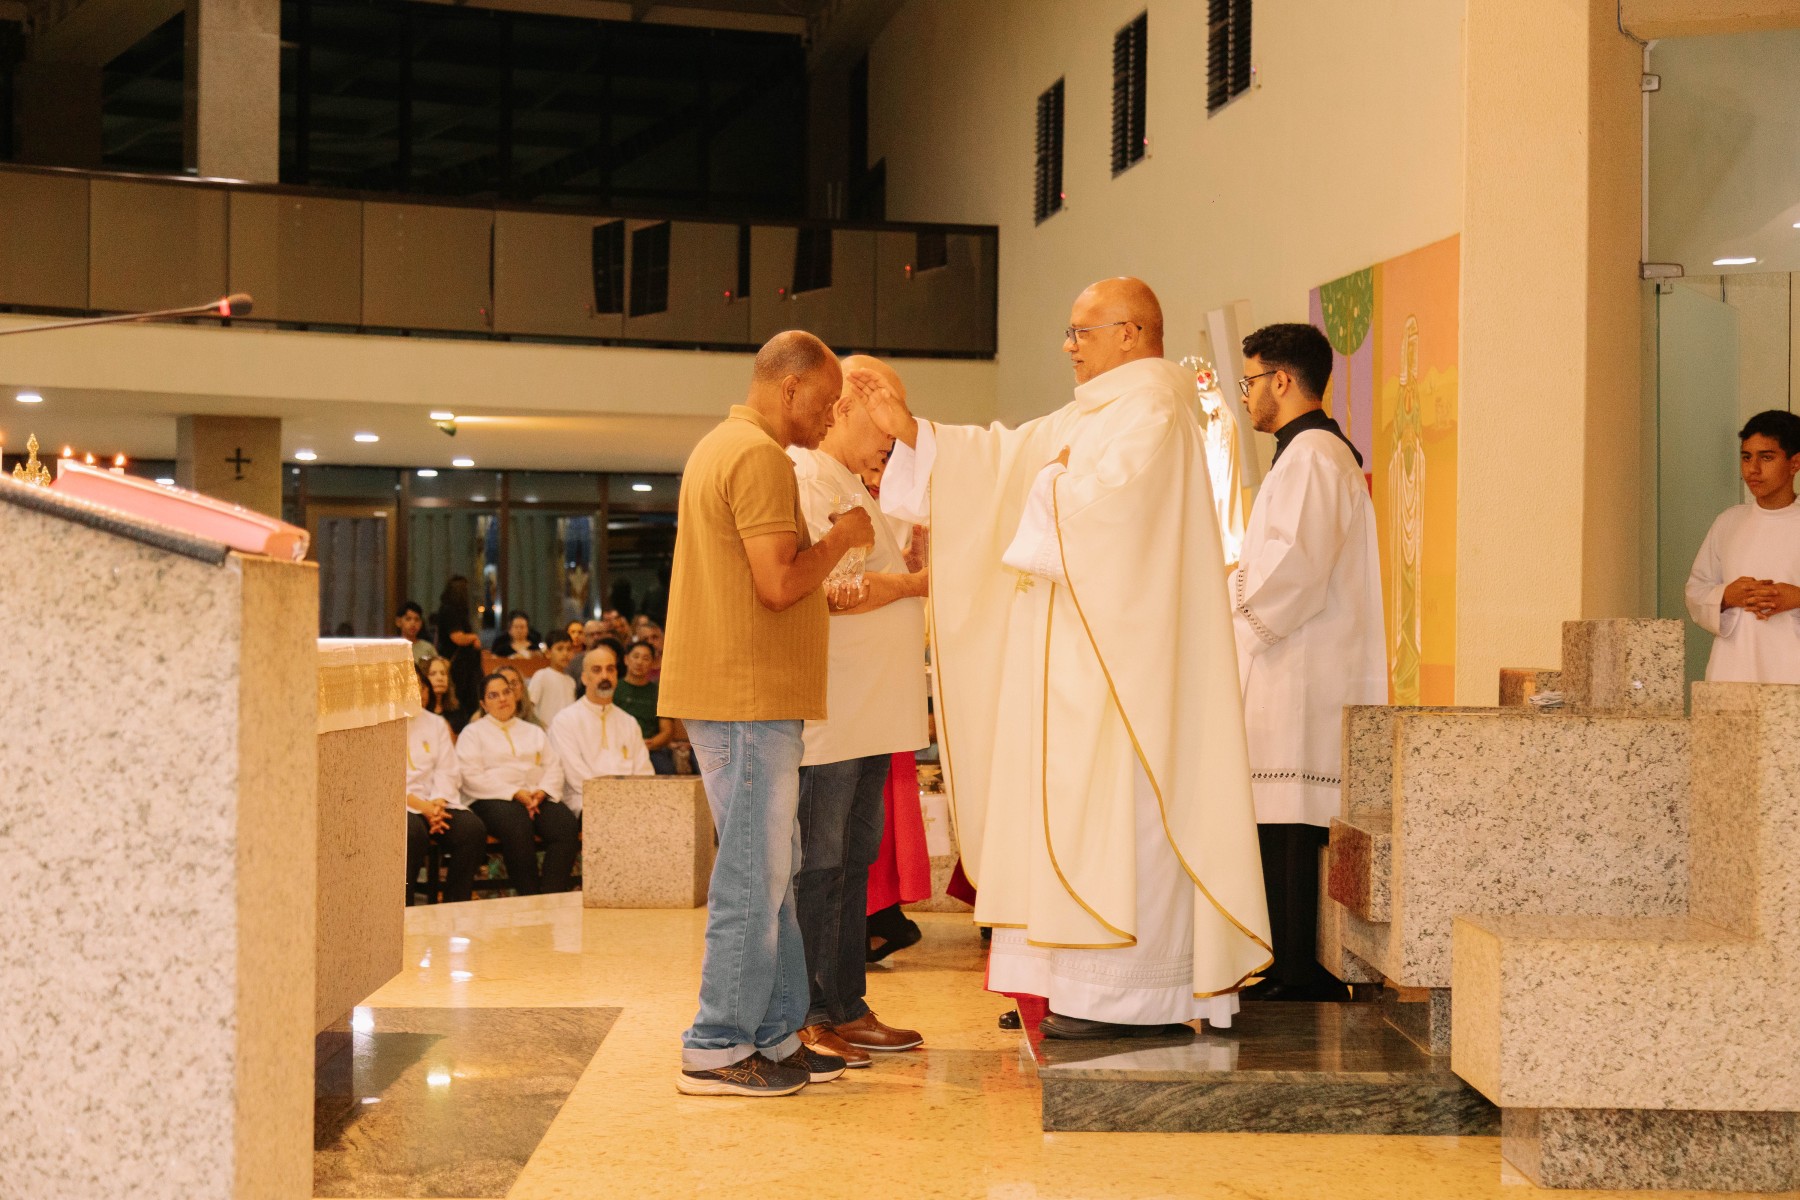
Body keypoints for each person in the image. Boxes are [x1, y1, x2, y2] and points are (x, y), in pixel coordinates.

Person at [860, 277, 1272, 1039]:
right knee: (1085, 820)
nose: (1068, 346)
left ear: (1131, 332)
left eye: (1082, 331)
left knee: (1120, 822)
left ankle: (1128, 1000)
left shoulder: (1153, 409)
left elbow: (1101, 512)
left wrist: (1051, 480)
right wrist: (913, 432)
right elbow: (1005, 459)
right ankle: (1080, 992)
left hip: (1126, 677)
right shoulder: (1102, 410)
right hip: (1086, 669)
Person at [661, 329, 875, 1097]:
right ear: (790, 388)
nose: (831, 416)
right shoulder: (756, 457)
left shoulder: (727, 447)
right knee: (754, 874)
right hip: (745, 696)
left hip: (746, 693)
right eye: (826, 401)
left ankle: (776, 1033)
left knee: (773, 870)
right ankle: (717, 1044)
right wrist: (844, 538)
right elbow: (778, 584)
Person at [1230, 322, 1386, 1001]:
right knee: (1280, 818)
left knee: (1291, 821)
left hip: (1301, 668)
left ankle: (1299, 968)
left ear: (1282, 380)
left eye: (1249, 382)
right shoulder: (1305, 453)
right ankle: (1286, 961)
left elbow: (1293, 568)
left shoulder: (1315, 456)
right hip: (1292, 661)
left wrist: (1226, 591)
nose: (1245, 396)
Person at [787, 355, 931, 1067]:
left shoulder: (851, 482)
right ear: (844, 406)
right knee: (820, 865)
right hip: (835, 709)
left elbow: (874, 575)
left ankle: (847, 1005)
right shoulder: (810, 474)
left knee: (853, 862)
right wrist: (915, 583)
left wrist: (908, 564)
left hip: (870, 710)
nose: (893, 442)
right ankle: (808, 1014)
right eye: (885, 423)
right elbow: (832, 592)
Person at [1686, 409, 1800, 683]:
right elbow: (1696, 591)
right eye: (1746, 457)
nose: (1753, 469)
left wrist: (1796, 598)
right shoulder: (1729, 522)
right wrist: (1727, 595)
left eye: (1766, 457)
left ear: (1795, 462)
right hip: (1732, 668)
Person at [457, 671, 578, 895]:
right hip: (492, 798)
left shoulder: (533, 731)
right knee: (518, 826)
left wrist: (542, 791)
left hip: (536, 796)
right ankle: (529, 897)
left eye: (506, 692)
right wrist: (514, 792)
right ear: (483, 704)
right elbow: (470, 776)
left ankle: (551, 896)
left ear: (515, 695)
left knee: (565, 826)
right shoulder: (473, 733)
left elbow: (553, 766)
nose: (502, 699)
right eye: (493, 695)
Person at [405, 666, 487, 903]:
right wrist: (424, 808)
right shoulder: (382, 724)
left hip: (436, 801)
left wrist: (438, 803)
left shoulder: (436, 723)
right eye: (411, 687)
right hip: (403, 804)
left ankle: (454, 904)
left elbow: (447, 768)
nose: (418, 692)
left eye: (421, 686)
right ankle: (404, 907)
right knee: (412, 834)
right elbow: (384, 779)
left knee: (472, 830)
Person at [550, 641, 655, 816]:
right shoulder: (565, 720)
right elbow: (576, 776)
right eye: (597, 670)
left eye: (610, 669)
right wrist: (616, 800)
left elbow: (644, 771)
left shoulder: (628, 722)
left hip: (631, 802)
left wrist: (633, 800)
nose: (605, 676)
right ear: (584, 678)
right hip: (586, 802)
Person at [615, 640, 677, 773]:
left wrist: (648, 744)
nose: (639, 662)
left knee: (666, 770)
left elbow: (667, 731)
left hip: (651, 748)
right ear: (626, 660)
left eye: (646, 658)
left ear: (653, 663)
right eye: (635, 656)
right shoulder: (614, 688)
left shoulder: (659, 693)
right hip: (618, 746)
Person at [529, 633, 579, 727]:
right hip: (545, 731)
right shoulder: (542, 675)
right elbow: (529, 706)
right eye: (560, 649)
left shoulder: (571, 681)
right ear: (548, 653)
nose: (565, 653)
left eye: (568, 649)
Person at [423, 655, 467, 735]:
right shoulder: (419, 712)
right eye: (432, 674)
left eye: (443, 673)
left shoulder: (457, 711)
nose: (440, 678)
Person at [396, 600, 435, 667]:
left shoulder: (428, 648)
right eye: (408, 619)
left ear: (421, 623)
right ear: (398, 622)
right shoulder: (392, 647)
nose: (413, 623)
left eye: (417, 619)